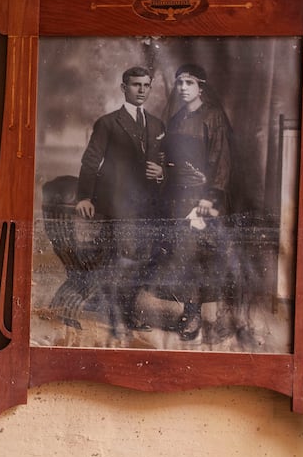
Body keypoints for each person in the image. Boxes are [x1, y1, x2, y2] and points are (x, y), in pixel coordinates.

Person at [73, 66, 165, 338]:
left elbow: (163, 161)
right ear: (123, 88)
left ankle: (116, 304)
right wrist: (84, 196)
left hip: (148, 204)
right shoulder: (108, 123)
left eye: (146, 85)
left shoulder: (158, 125)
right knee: (124, 256)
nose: (141, 90)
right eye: (135, 85)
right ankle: (123, 312)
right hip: (118, 202)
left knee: (145, 256)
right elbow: (91, 160)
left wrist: (162, 173)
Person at [153, 63, 234, 341]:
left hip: (200, 200)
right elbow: (170, 160)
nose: (183, 88)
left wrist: (208, 199)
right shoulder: (175, 120)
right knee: (178, 255)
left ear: (201, 86)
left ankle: (194, 314)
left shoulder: (213, 117)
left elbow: (221, 161)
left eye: (189, 83)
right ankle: (189, 310)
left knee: (195, 256)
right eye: (180, 83)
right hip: (175, 196)